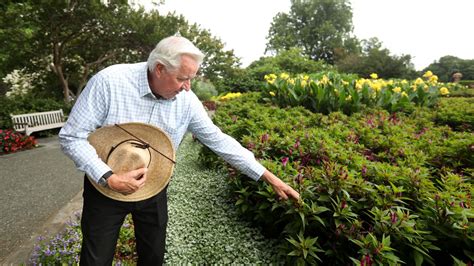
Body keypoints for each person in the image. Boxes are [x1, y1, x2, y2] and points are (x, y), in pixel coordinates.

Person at [59, 35, 300, 265]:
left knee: (153, 258)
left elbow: (218, 140)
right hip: (104, 188)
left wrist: (269, 177)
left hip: (154, 189)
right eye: (182, 78)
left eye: (191, 78)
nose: (187, 87)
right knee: (95, 260)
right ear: (160, 69)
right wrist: (109, 177)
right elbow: (72, 136)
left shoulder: (187, 100)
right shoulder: (109, 82)